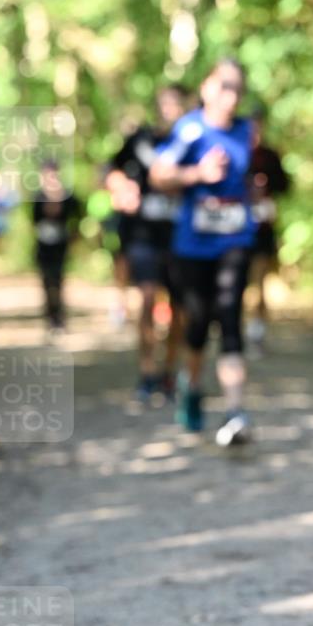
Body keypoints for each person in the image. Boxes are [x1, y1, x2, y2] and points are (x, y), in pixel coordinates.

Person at [149, 58, 256, 446]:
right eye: (225, 86)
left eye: (238, 89)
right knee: (197, 322)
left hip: (235, 239)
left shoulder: (246, 130)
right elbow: (158, 175)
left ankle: (234, 411)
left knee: (229, 316)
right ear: (207, 87)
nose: (231, 96)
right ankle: (191, 386)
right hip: (193, 245)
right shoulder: (190, 128)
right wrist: (197, 174)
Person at [104, 86, 187, 402]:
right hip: (142, 235)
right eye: (164, 103)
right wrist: (121, 187)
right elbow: (109, 169)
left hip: (181, 237)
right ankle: (147, 373)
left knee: (180, 309)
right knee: (148, 298)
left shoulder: (192, 141)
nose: (169, 109)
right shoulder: (140, 139)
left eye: (176, 103)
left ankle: (169, 373)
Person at [246, 105, 290, 355]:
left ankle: (257, 331)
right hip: (236, 229)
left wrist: (266, 186)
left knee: (260, 280)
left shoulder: (270, 156)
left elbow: (285, 186)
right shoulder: (235, 153)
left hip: (262, 228)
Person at [32, 160, 79, 332]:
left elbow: (76, 214)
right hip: (43, 246)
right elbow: (35, 220)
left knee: (58, 280)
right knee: (47, 280)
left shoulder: (67, 195)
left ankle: (59, 316)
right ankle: (50, 316)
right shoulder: (38, 196)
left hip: (60, 245)